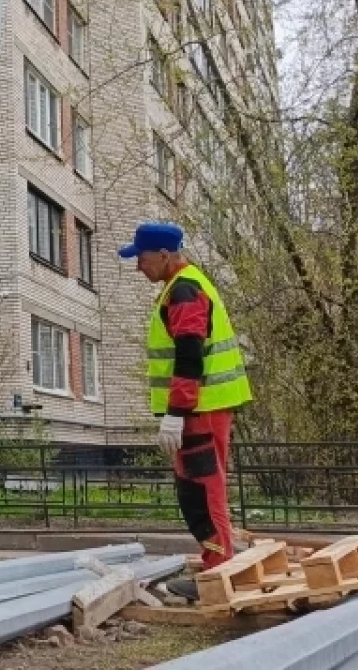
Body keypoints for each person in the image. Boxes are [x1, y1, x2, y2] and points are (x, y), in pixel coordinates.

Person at [118, 222, 253, 599]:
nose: (138, 267)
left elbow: (189, 355)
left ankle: (217, 574)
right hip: (205, 408)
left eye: (142, 259)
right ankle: (218, 565)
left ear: (164, 256)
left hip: (198, 411)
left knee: (201, 492)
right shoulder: (185, 285)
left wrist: (176, 412)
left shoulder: (184, 290)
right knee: (202, 490)